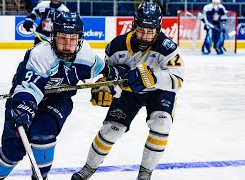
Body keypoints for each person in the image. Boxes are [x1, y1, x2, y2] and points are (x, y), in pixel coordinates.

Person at [0, 11, 127, 180]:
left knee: (43, 134)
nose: (67, 44)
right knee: (13, 150)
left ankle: (41, 177)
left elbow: (108, 71)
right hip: (23, 98)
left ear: (80, 39)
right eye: (62, 38)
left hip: (59, 98)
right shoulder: (41, 54)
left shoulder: (86, 55)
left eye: (73, 39)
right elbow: (30, 87)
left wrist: (116, 80)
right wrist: (24, 107)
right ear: (53, 37)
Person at [72, 1, 185, 180]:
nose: (145, 36)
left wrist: (153, 78)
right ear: (134, 25)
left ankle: (145, 174)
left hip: (159, 92)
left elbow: (177, 80)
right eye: (141, 30)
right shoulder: (116, 46)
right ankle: (88, 168)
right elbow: (110, 78)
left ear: (158, 28)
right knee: (110, 129)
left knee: (162, 124)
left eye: (150, 31)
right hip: (129, 93)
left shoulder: (168, 48)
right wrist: (107, 88)